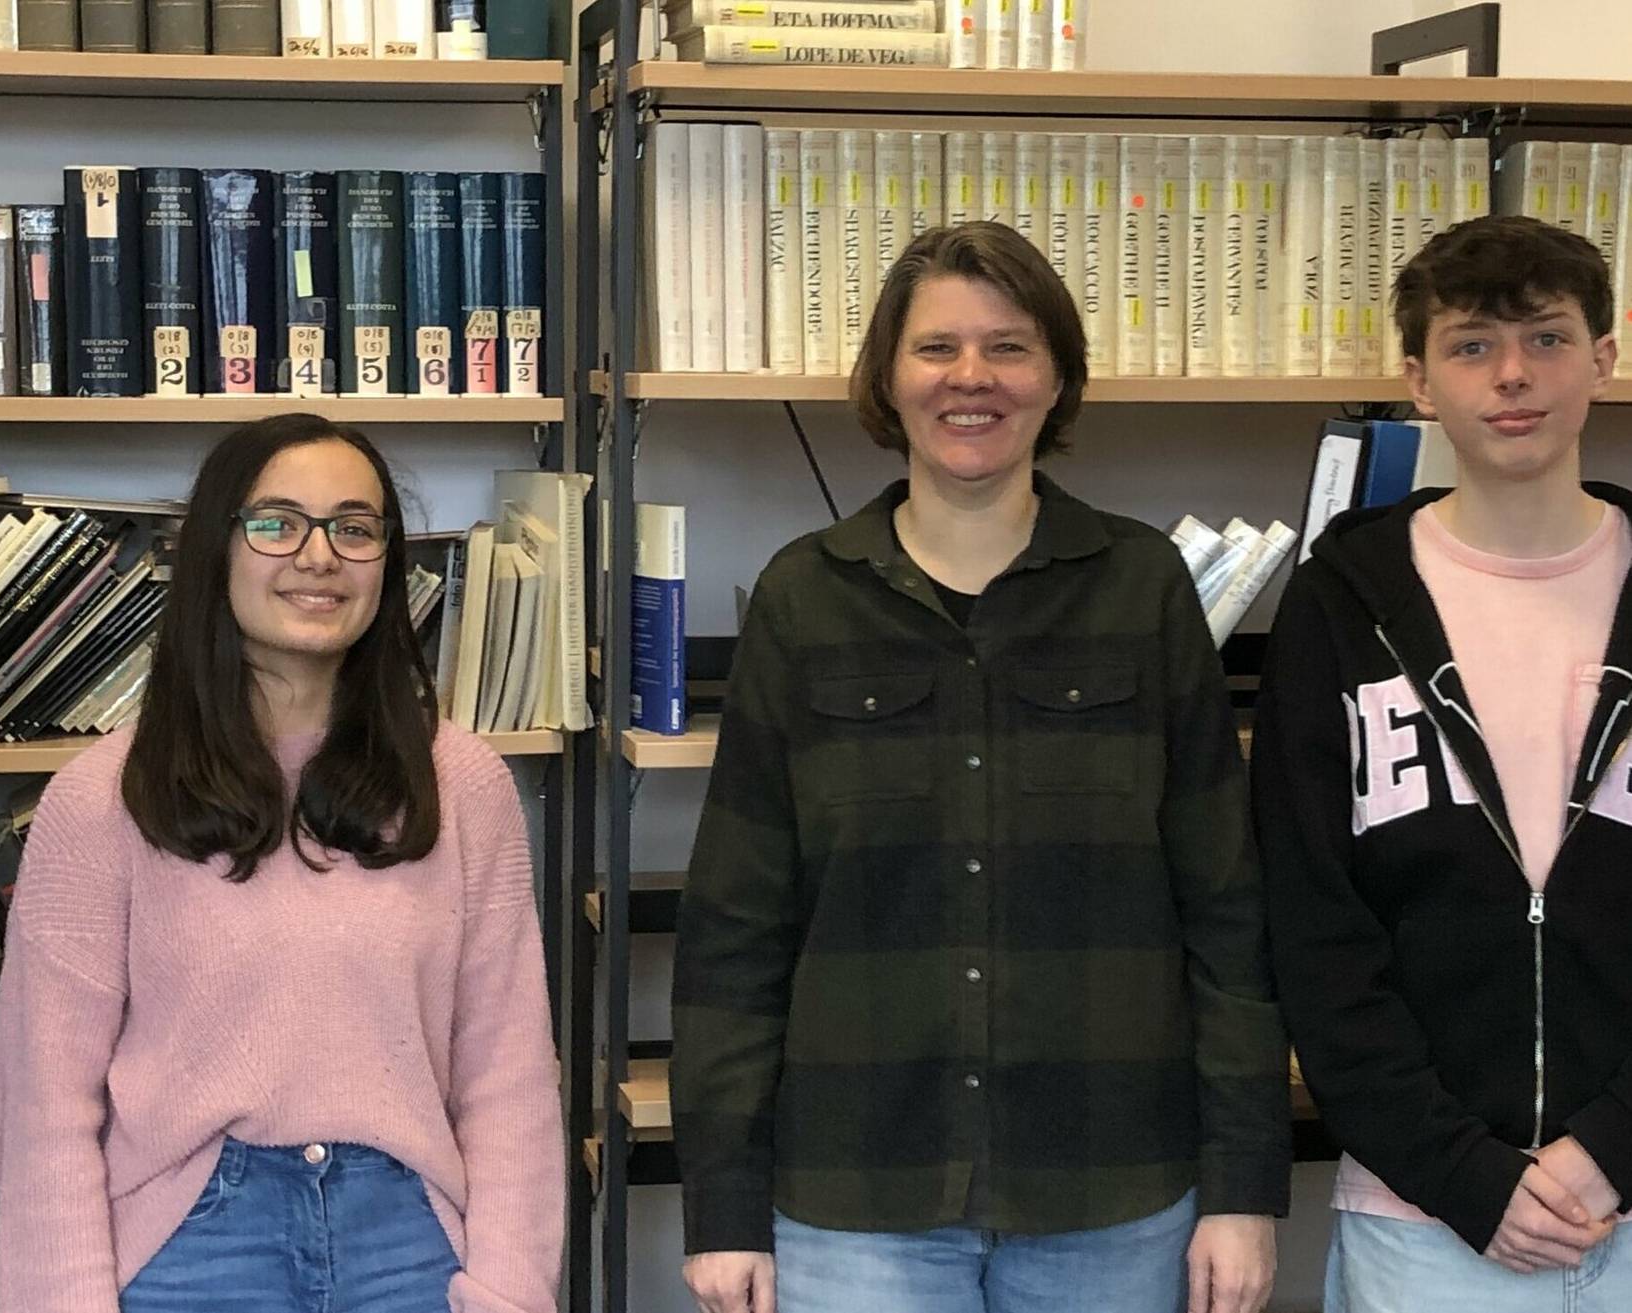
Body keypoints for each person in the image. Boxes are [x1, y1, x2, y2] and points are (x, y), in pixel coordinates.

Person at [672, 221, 1293, 1313]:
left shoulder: (1142, 589)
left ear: (1056, 378)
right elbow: (735, 929)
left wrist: (1245, 1188)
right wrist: (723, 1204)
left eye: (1008, 347)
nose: (972, 378)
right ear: (887, 377)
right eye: (937, 347)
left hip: (1115, 1190)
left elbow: (1228, 916)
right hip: (854, 1195)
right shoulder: (802, 597)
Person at [0, 413, 564, 1313]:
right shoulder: (101, 800)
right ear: (216, 549)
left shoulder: (464, 786)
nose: (318, 556)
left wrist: (511, 1289)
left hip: (410, 1244)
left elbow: (508, 1072)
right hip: (187, 1246)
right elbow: (44, 1108)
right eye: (276, 522)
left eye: (354, 527)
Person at [1256, 213, 1632, 1310]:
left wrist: (1610, 1144)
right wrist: (1465, 1173)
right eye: (1472, 345)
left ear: (1604, 359)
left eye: (1549, 338)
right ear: (1419, 380)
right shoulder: (1339, 608)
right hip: (1423, 1222)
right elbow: (1312, 924)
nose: (1513, 375)